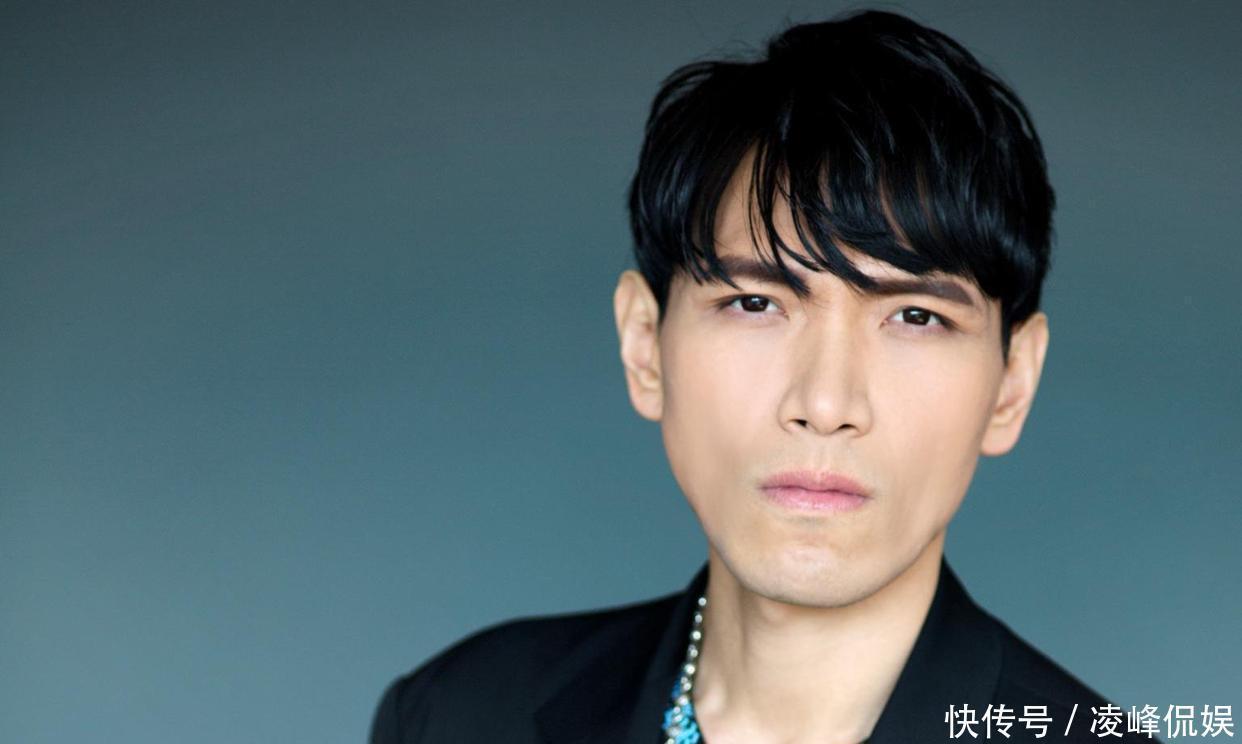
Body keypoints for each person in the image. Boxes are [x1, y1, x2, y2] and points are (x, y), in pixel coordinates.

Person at [370, 9, 1161, 743]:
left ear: (1012, 385)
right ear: (645, 346)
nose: (825, 403)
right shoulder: (460, 714)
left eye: (916, 316)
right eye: (755, 303)